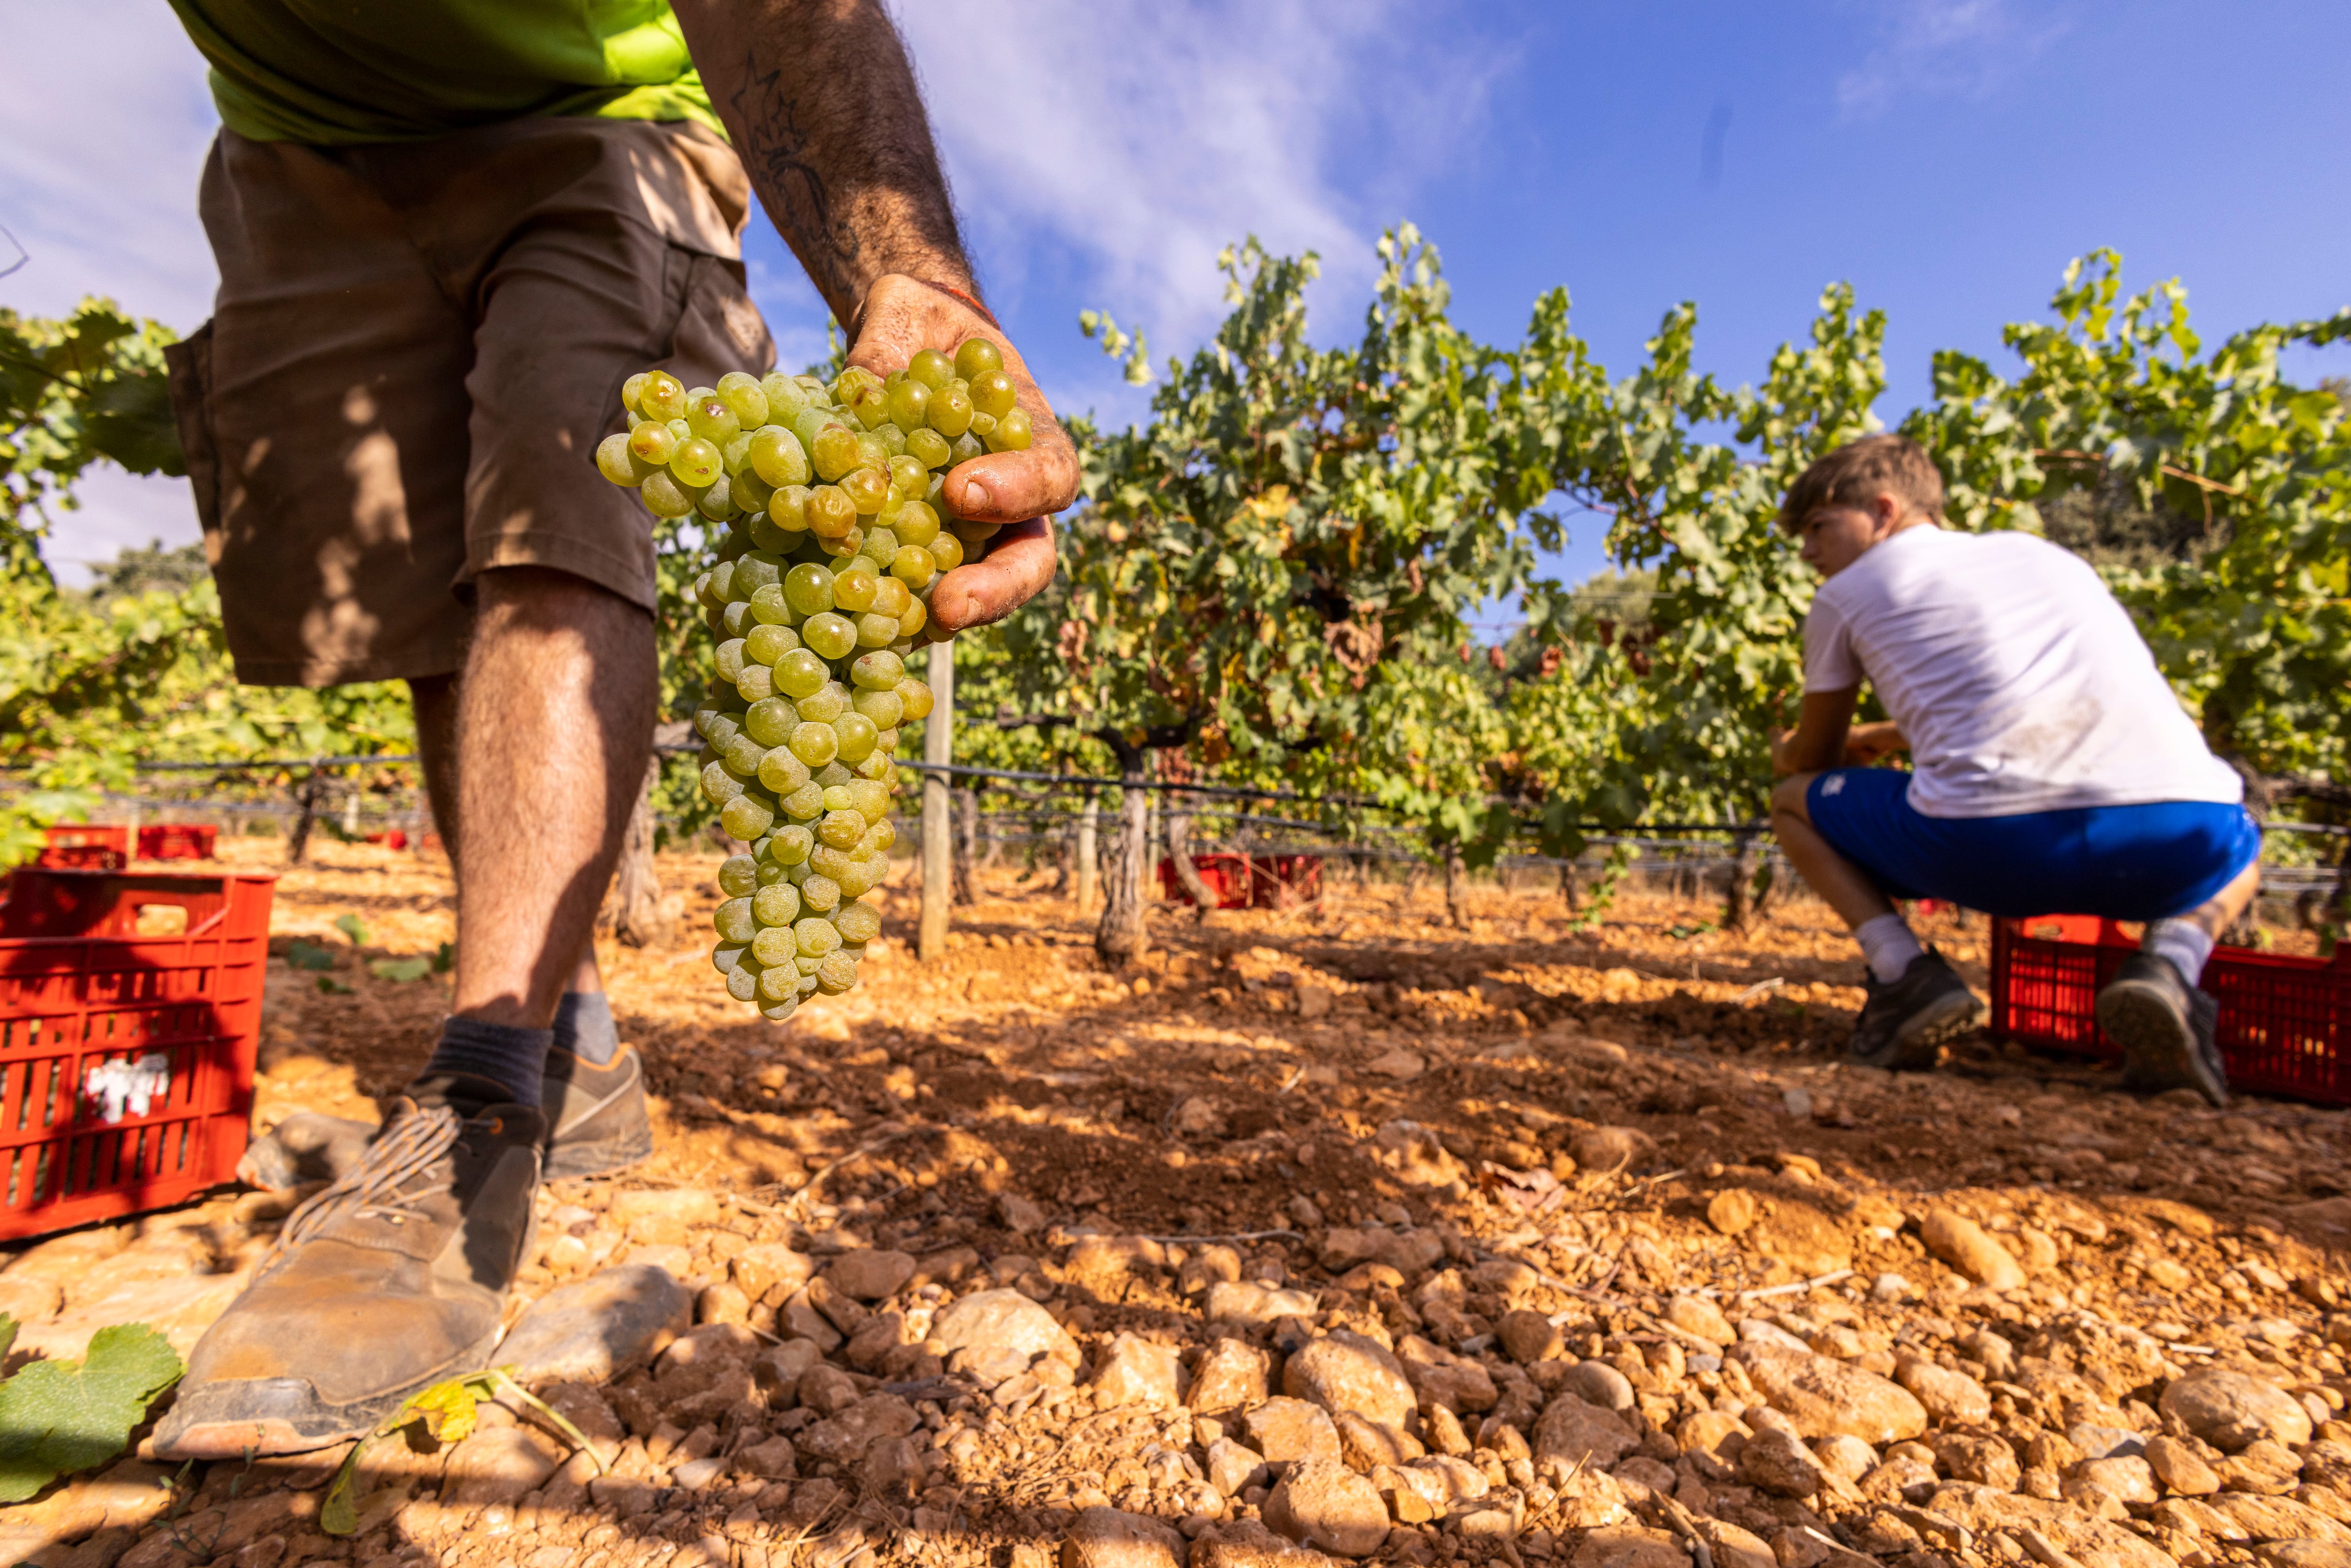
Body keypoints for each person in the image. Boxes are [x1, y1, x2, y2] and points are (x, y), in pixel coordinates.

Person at [152, 0, 1079, 1458]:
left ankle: (485, 1096)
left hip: (613, 120)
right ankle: (570, 1035)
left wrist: (900, 269)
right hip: (293, 140)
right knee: (422, 609)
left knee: (554, 530)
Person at [1766, 435, 2258, 1103]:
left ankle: (1905, 978)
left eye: (1817, 527)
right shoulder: (2044, 556)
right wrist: (1887, 734)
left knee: (1794, 800)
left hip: (1997, 850)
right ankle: (2170, 966)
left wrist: (1787, 748)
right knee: (2240, 837)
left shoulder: (1847, 594)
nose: (1806, 550)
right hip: (2177, 837)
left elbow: (1816, 758)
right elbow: (2035, 705)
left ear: (1883, 510)